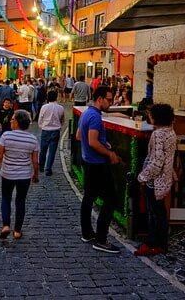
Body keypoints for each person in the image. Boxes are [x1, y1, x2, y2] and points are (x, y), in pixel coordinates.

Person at [76, 86, 122, 254]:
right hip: (97, 164)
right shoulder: (95, 117)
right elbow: (93, 141)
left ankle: (87, 233)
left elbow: (78, 136)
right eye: (109, 99)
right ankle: (101, 239)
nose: (110, 103)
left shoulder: (86, 114)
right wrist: (109, 153)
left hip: (88, 162)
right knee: (111, 199)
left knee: (88, 198)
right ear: (100, 99)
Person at [0, 110, 39, 240]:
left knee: (6, 198)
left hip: (7, 174)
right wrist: (36, 175)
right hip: (24, 176)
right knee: (20, 201)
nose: (10, 121)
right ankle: (17, 231)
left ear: (17, 122)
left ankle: (6, 225)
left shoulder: (6, 136)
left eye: (12, 119)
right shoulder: (33, 139)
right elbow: (35, 161)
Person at [135, 103, 177, 256]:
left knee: (153, 213)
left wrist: (142, 177)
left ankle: (153, 243)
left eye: (151, 115)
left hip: (155, 181)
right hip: (165, 180)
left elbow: (157, 161)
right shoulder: (170, 132)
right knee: (160, 213)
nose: (149, 117)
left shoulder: (158, 134)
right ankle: (161, 243)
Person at [37, 90, 65, 176]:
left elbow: (40, 119)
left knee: (43, 150)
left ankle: (41, 166)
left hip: (45, 130)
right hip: (55, 130)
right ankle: (48, 169)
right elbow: (62, 120)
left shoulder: (44, 107)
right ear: (56, 97)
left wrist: (42, 126)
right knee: (52, 152)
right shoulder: (60, 108)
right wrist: (59, 126)